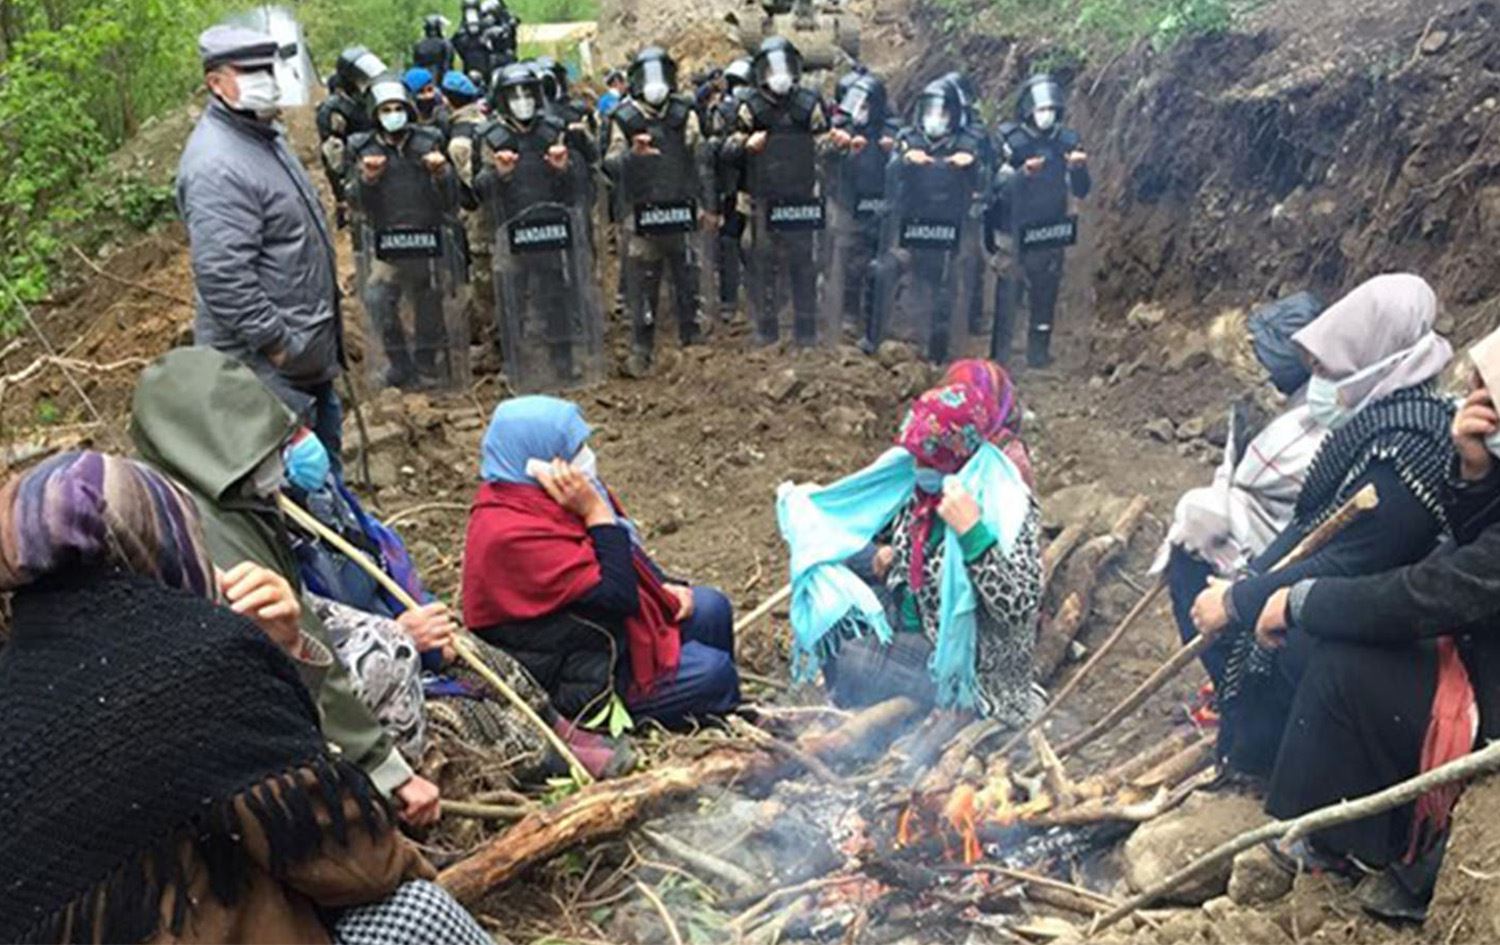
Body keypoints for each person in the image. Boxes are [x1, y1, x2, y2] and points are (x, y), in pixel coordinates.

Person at [0, 451, 487, 945]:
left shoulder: (17, 687)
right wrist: (268, 654)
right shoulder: (196, 655)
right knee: (415, 911)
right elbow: (358, 864)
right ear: (163, 531)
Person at [130, 348, 444, 826]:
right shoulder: (210, 535)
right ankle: (380, 816)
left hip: (247, 675)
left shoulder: (222, 493)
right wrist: (385, 767)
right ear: (218, 443)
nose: (287, 452)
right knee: (390, 653)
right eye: (268, 442)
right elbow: (297, 651)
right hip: (246, 712)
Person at [1250, 325, 1500, 920]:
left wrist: (1302, 598)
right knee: (1327, 640)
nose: (1470, 404)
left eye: (1486, 396)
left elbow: (1436, 590)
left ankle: (1343, 844)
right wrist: (1475, 475)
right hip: (1480, 650)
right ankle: (1355, 834)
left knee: (1344, 665)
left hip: (1491, 696)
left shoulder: (1403, 440)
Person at [1187, 274, 1456, 776]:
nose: (1323, 384)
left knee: (1292, 640)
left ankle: (1287, 777)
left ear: (1375, 356)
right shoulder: (1379, 421)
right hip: (1344, 595)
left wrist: (1241, 601)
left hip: (1385, 627)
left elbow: (1350, 561)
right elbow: (1312, 524)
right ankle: (1257, 747)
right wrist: (1245, 586)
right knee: (1225, 592)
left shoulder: (1407, 446)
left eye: (1334, 368)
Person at [462, 396, 742, 729]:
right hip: (575, 676)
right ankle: (686, 723)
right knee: (714, 673)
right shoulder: (508, 533)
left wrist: (664, 584)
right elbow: (617, 597)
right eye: (574, 448)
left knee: (711, 608)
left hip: (596, 640)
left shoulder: (541, 498)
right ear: (536, 460)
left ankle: (715, 713)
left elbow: (621, 556)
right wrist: (596, 513)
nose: (584, 457)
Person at [778, 381, 1043, 723]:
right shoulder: (924, 487)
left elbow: (1019, 605)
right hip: (919, 614)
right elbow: (879, 525)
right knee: (831, 617)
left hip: (973, 662)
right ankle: (865, 693)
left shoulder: (1003, 501)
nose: (915, 465)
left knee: (850, 657)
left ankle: (868, 710)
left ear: (954, 454)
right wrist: (887, 556)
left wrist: (974, 536)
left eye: (924, 458)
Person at [178, 25, 345, 463]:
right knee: (294, 495)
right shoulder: (218, 164)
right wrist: (279, 344)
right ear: (216, 83)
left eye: (269, 68)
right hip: (266, 373)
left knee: (325, 486)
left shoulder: (264, 137)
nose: (267, 79)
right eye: (250, 70)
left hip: (303, 359)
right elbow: (223, 276)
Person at [1155, 291, 1329, 681]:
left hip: (1289, 554)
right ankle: (1226, 681)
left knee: (1199, 566)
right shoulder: (1254, 406)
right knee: (1188, 557)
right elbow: (1231, 471)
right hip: (1242, 537)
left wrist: (1205, 512)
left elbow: (1258, 489)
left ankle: (1239, 681)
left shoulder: (1318, 422)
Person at [477, 63, 605, 392]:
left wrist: (563, 170)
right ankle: (512, 364)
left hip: (551, 230)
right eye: (514, 95)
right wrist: (499, 175)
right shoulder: (490, 137)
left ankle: (563, 360)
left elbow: (580, 184)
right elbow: (477, 190)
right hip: (511, 230)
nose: (522, 101)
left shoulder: (555, 129)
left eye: (527, 94)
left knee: (555, 295)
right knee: (511, 300)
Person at [347, 74, 467, 391]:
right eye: (385, 109)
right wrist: (368, 180)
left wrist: (441, 173)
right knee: (377, 298)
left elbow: (453, 199)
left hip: (428, 239)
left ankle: (428, 363)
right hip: (388, 242)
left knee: (430, 300)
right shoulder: (363, 148)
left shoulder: (429, 142)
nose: (392, 115)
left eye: (397, 108)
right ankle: (399, 363)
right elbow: (353, 201)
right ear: (375, 113)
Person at [605, 46, 714, 377]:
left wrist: (706, 205)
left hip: (680, 210)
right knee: (643, 283)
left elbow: (700, 162)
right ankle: (641, 348)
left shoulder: (685, 114)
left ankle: (691, 341)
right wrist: (633, 155)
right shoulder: (623, 118)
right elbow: (609, 165)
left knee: (687, 278)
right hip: (641, 213)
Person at [866, 78, 983, 362]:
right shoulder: (908, 138)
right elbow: (889, 177)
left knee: (945, 289)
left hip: (949, 237)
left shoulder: (969, 142)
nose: (935, 118)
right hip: (910, 231)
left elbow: (988, 185)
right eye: (930, 111)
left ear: (954, 115)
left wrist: (972, 165)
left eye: (942, 113)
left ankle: (939, 355)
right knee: (880, 270)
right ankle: (872, 338)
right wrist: (905, 159)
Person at [985, 73, 1091, 368]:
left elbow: (1082, 189)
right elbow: (996, 188)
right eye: (1040, 109)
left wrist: (1078, 168)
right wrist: (1022, 175)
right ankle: (1001, 352)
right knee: (1009, 284)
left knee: (1047, 287)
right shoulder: (1009, 140)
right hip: (1012, 226)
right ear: (1027, 109)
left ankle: (1038, 352)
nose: (1045, 115)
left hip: (1049, 228)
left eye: (1051, 110)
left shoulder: (1067, 141)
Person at [732, 37, 830, 347]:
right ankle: (766, 329)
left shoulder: (809, 103)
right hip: (762, 199)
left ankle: (806, 331)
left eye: (785, 67)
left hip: (801, 195)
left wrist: (836, 142)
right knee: (762, 262)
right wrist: (744, 144)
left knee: (804, 262)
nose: (780, 74)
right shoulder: (750, 106)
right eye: (773, 68)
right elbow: (725, 147)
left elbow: (823, 141)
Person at [821, 68, 898, 333]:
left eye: (867, 104)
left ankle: (881, 319)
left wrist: (894, 150)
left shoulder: (893, 131)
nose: (861, 110)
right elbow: (822, 159)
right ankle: (849, 314)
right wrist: (839, 146)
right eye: (858, 104)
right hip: (849, 203)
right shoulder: (841, 128)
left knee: (882, 263)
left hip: (883, 204)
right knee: (849, 260)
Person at [706, 57, 754, 320]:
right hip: (740, 185)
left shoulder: (727, 110)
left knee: (733, 242)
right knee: (734, 243)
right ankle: (732, 300)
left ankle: (731, 301)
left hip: (738, 186)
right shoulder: (731, 111)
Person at [316, 45, 386, 227]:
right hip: (356, 173)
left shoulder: (374, 98)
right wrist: (343, 196)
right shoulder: (335, 109)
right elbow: (334, 158)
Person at [452, 0, 494, 88]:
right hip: (469, 60)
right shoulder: (462, 29)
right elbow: (456, 44)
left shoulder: (485, 25)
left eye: (472, 10)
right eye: (468, 10)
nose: (470, 14)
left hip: (484, 61)